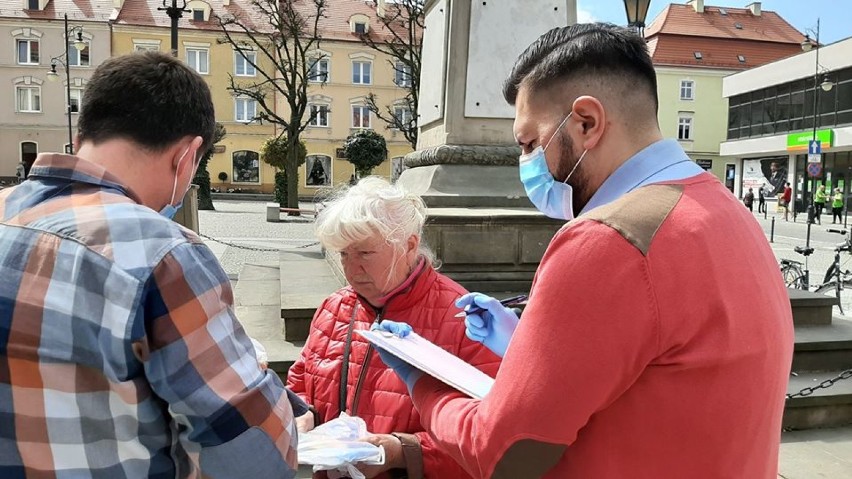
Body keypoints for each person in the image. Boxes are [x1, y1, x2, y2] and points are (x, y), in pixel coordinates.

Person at [374, 23, 793, 478]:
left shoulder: (607, 239)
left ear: (587, 123)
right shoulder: (726, 210)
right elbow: (662, 376)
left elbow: (502, 453)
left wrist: (422, 380)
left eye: (531, 143)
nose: (526, 162)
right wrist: (526, 343)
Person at [0, 52, 302, 478]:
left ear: (87, 126)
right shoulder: (162, 251)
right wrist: (283, 420)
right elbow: (254, 455)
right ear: (187, 155)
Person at [287, 176, 501, 479]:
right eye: (344, 254)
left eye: (364, 253)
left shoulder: (466, 321)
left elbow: (490, 435)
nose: (351, 268)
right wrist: (302, 413)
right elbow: (300, 382)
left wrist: (402, 451)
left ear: (409, 246)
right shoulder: (334, 307)